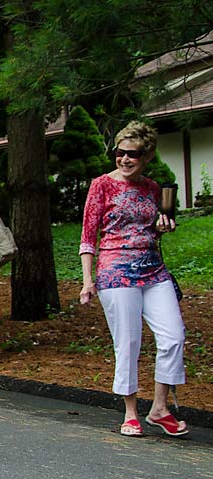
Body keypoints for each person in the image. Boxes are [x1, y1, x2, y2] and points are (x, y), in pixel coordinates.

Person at [79, 121, 187, 438]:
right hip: (116, 271)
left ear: (148, 155)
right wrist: (88, 280)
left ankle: (159, 408)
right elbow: (88, 238)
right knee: (128, 342)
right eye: (120, 153)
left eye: (133, 154)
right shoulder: (101, 185)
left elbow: (152, 227)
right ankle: (130, 412)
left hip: (153, 269)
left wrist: (164, 226)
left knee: (173, 335)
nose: (125, 160)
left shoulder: (153, 188)